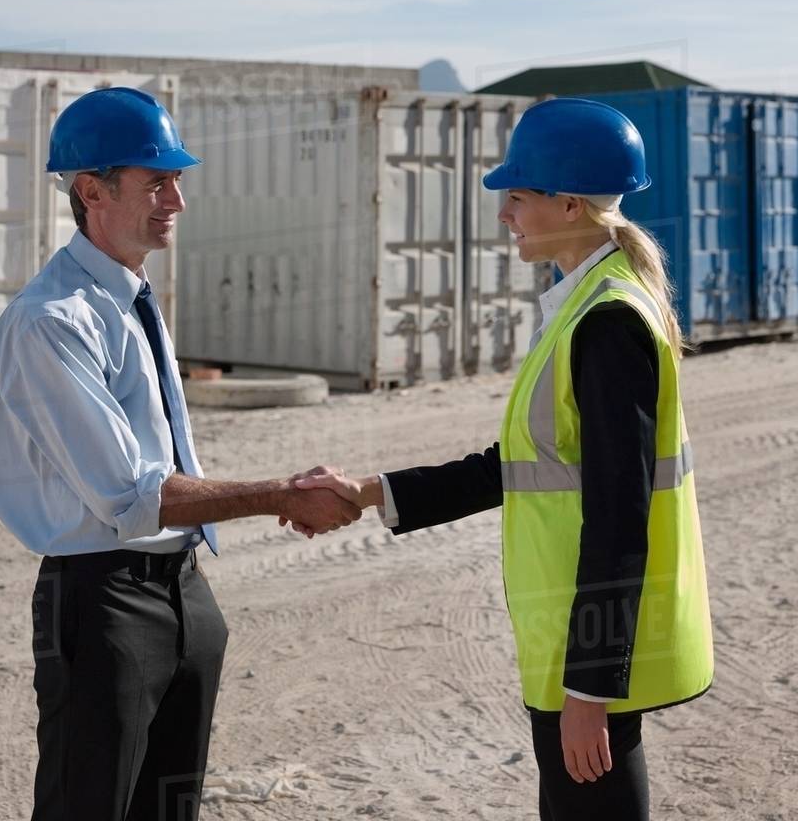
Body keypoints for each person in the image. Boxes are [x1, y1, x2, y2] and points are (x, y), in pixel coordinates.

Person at [289, 97, 714, 821]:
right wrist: (367, 492)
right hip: (565, 640)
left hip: (589, 656)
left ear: (571, 204)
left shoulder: (608, 322)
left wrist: (591, 692)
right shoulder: (580, 307)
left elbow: (620, 518)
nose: (504, 214)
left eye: (517, 196)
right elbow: (511, 466)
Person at [0, 86, 359, 821]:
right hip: (105, 604)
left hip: (184, 592)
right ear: (91, 190)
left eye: (178, 180)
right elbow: (133, 496)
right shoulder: (50, 323)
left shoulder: (130, 300)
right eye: (157, 181)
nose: (177, 200)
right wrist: (281, 494)